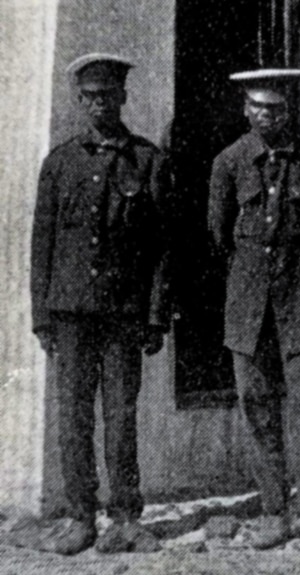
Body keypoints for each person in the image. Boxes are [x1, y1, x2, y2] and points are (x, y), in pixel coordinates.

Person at [29, 53, 171, 555]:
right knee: (73, 417)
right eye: (89, 96)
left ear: (123, 98)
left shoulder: (148, 161)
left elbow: (160, 250)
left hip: (124, 314)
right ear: (79, 99)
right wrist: (42, 316)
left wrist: (156, 317)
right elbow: (41, 244)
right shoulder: (60, 162)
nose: (98, 105)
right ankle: (80, 517)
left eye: (107, 95)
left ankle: (127, 518)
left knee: (120, 415)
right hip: (70, 314)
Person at [207, 68, 300, 553]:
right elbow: (220, 236)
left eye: (275, 108)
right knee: (259, 413)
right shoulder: (229, 162)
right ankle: (274, 512)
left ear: (289, 110)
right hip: (249, 314)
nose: (265, 115)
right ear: (245, 109)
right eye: (257, 107)